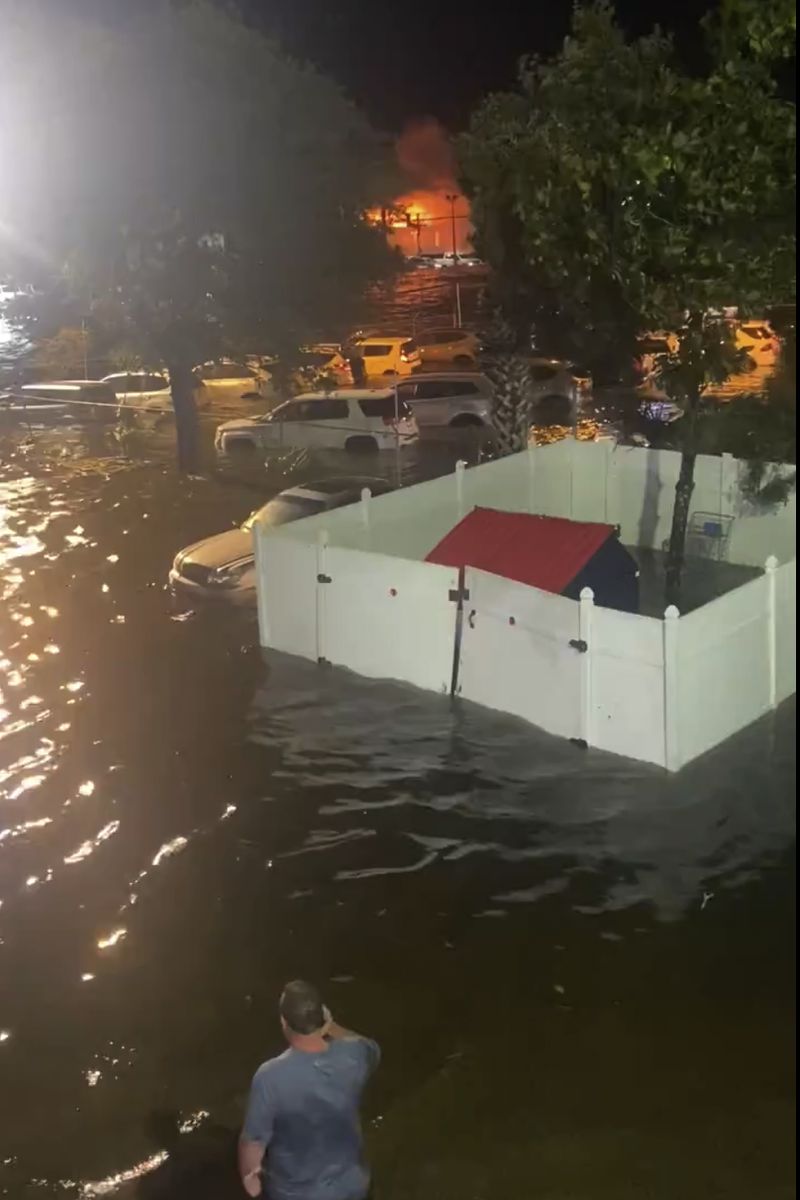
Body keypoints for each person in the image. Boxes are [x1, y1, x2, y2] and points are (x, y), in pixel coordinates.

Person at [239, 980, 380, 1200]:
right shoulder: (355, 1055)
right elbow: (367, 1046)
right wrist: (331, 1026)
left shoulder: (270, 1078)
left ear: (284, 1022)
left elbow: (254, 1142)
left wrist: (251, 1180)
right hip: (353, 1185)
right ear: (323, 1014)